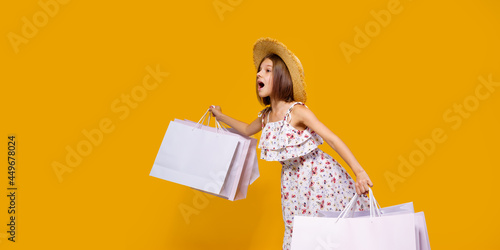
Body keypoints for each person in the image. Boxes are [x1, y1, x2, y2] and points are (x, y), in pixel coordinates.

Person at [209, 37, 374, 250]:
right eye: (259, 71)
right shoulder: (266, 116)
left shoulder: (297, 111)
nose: (259, 74)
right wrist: (220, 117)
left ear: (281, 77)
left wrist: (359, 171)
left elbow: (332, 139)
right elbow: (246, 130)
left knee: (325, 233)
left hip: (319, 176)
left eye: (267, 70)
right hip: (292, 183)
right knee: (298, 234)